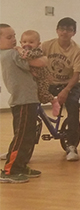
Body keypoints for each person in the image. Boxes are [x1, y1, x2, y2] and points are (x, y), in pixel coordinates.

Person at [0, 23, 45, 183]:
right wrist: (45, 58)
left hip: (28, 100)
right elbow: (39, 62)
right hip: (23, 101)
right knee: (22, 136)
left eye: (14, 36)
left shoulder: (12, 53)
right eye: (9, 37)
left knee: (28, 135)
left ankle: (21, 165)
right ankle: (10, 170)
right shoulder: (11, 55)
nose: (14, 40)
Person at [41, 17, 80, 161]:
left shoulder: (78, 50)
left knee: (73, 106)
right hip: (50, 83)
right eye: (62, 29)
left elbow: (76, 74)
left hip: (71, 84)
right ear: (57, 30)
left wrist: (66, 90)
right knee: (29, 104)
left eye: (69, 30)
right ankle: (22, 146)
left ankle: (72, 145)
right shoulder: (46, 45)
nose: (64, 32)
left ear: (74, 32)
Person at [17, 31, 61, 115]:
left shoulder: (37, 51)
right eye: (24, 42)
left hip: (42, 77)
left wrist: (19, 49)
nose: (27, 44)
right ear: (20, 42)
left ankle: (54, 101)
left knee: (43, 95)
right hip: (33, 78)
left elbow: (28, 55)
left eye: (31, 42)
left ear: (38, 44)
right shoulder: (22, 51)